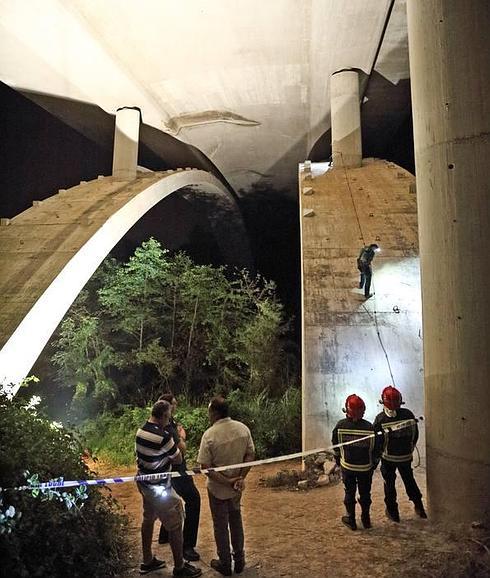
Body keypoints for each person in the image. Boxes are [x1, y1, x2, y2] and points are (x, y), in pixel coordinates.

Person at [135, 399, 202, 577]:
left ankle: (148, 560)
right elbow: (178, 458)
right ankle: (180, 567)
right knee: (175, 524)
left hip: (144, 483)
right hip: (159, 487)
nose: (169, 420)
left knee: (148, 519)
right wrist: (180, 437)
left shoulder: (140, 431)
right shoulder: (164, 436)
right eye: (168, 416)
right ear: (164, 416)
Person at [197, 396, 255, 576]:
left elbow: (205, 467)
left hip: (217, 489)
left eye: (209, 411)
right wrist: (240, 477)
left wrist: (225, 481)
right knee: (236, 521)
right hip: (237, 487)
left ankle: (224, 562)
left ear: (214, 412)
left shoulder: (209, 435)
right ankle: (239, 560)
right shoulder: (243, 429)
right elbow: (250, 455)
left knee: (220, 525)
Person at [157, 393, 201, 562]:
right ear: (167, 406)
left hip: (167, 471)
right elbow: (182, 449)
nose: (176, 407)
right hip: (177, 470)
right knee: (193, 500)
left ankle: (164, 534)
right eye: (173, 404)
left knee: (169, 498)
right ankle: (187, 546)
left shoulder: (163, 423)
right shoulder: (169, 427)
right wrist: (181, 435)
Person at [374, 385, 427, 522]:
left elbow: (377, 441)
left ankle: (393, 513)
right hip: (405, 457)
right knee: (409, 481)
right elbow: (415, 435)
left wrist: (379, 454)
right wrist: (409, 449)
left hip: (388, 459)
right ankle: (419, 507)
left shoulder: (380, 419)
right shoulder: (408, 414)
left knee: (389, 485)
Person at [332, 394, 380, 530]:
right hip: (365, 468)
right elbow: (376, 448)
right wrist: (374, 463)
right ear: (363, 410)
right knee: (365, 493)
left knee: (349, 492)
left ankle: (351, 519)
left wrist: (339, 461)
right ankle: (366, 519)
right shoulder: (370, 427)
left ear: (347, 410)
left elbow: (335, 446)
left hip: (348, 467)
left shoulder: (340, 426)